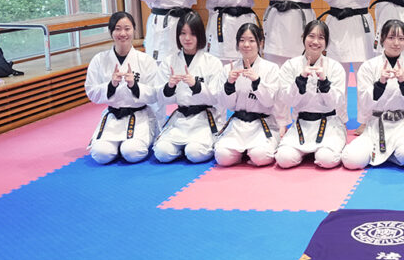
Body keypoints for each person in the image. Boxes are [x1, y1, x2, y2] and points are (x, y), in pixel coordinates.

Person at [341, 19, 404, 169]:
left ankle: (385, 154)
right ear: (382, 39)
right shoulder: (368, 67)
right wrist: (380, 84)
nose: (396, 43)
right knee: (351, 160)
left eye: (401, 38)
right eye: (391, 38)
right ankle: (390, 154)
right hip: (376, 124)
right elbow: (364, 102)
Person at [84, 12, 159, 164]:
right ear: (111, 32)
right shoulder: (99, 59)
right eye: (118, 29)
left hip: (139, 117)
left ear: (134, 30)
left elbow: (155, 93)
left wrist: (134, 86)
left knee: (132, 152)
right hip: (113, 117)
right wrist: (111, 85)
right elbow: (91, 91)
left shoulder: (146, 60)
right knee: (101, 155)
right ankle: (114, 147)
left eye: (127, 28)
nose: (123, 33)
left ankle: (133, 143)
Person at [153, 10, 225, 163]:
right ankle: (179, 149)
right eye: (183, 33)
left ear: (200, 35)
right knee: (162, 153)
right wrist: (170, 87)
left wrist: (196, 85)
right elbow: (160, 97)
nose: (187, 38)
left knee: (194, 153)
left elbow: (217, 97)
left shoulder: (212, 62)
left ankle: (188, 148)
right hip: (181, 119)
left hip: (203, 119)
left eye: (192, 33)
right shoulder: (169, 61)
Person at [275, 21, 347, 169]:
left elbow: (337, 103)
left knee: (326, 159)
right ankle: (305, 152)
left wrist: (324, 83)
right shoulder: (290, 65)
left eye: (321, 37)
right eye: (311, 36)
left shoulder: (335, 67)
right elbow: (286, 100)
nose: (315, 41)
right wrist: (300, 81)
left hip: (328, 124)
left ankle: (321, 151)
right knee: (284, 159)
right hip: (302, 124)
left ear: (326, 42)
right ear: (303, 37)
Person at [214, 23, 283, 166]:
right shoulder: (229, 69)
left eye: (251, 40)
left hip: (262, 124)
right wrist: (229, 84)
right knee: (222, 157)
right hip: (238, 125)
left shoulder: (271, 68)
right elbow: (227, 105)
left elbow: (269, 102)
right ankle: (240, 154)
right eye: (242, 40)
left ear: (260, 43)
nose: (246, 45)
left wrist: (256, 81)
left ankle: (250, 152)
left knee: (260, 156)